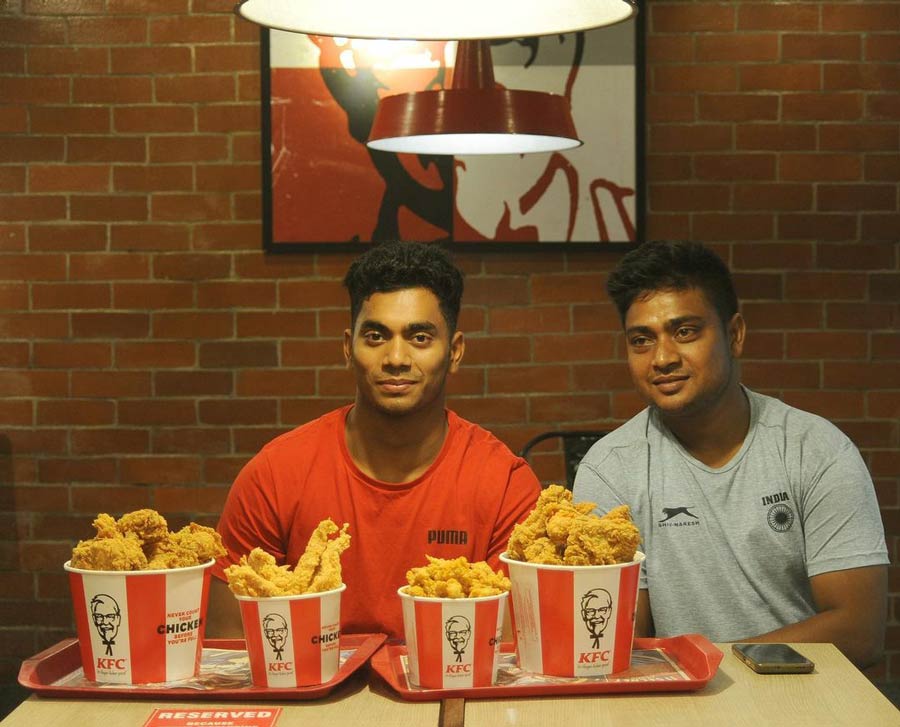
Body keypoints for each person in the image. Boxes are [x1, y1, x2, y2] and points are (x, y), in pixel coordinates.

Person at [573, 240, 888, 668]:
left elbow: (859, 629)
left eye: (685, 331)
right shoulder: (610, 469)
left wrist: (715, 668)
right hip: (680, 704)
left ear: (734, 334)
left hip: (805, 696)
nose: (662, 358)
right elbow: (618, 639)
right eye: (642, 340)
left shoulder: (816, 450)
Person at [206, 241, 541, 640]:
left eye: (419, 337)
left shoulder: (504, 485)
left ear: (454, 352)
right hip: (310, 698)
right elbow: (228, 647)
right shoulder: (275, 475)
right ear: (349, 347)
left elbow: (507, 655)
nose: (396, 357)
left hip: (452, 696)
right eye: (376, 336)